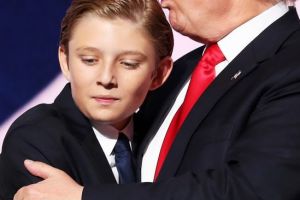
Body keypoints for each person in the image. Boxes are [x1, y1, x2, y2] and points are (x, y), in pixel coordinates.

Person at [13, 0, 300, 199]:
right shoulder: (186, 69)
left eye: (129, 63)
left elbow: (257, 190)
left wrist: (84, 197)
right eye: (89, 59)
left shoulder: (291, 65)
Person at [0, 0, 173, 199]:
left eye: (128, 63)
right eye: (90, 60)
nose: (106, 78)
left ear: (159, 73)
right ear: (65, 61)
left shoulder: (167, 135)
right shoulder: (35, 138)